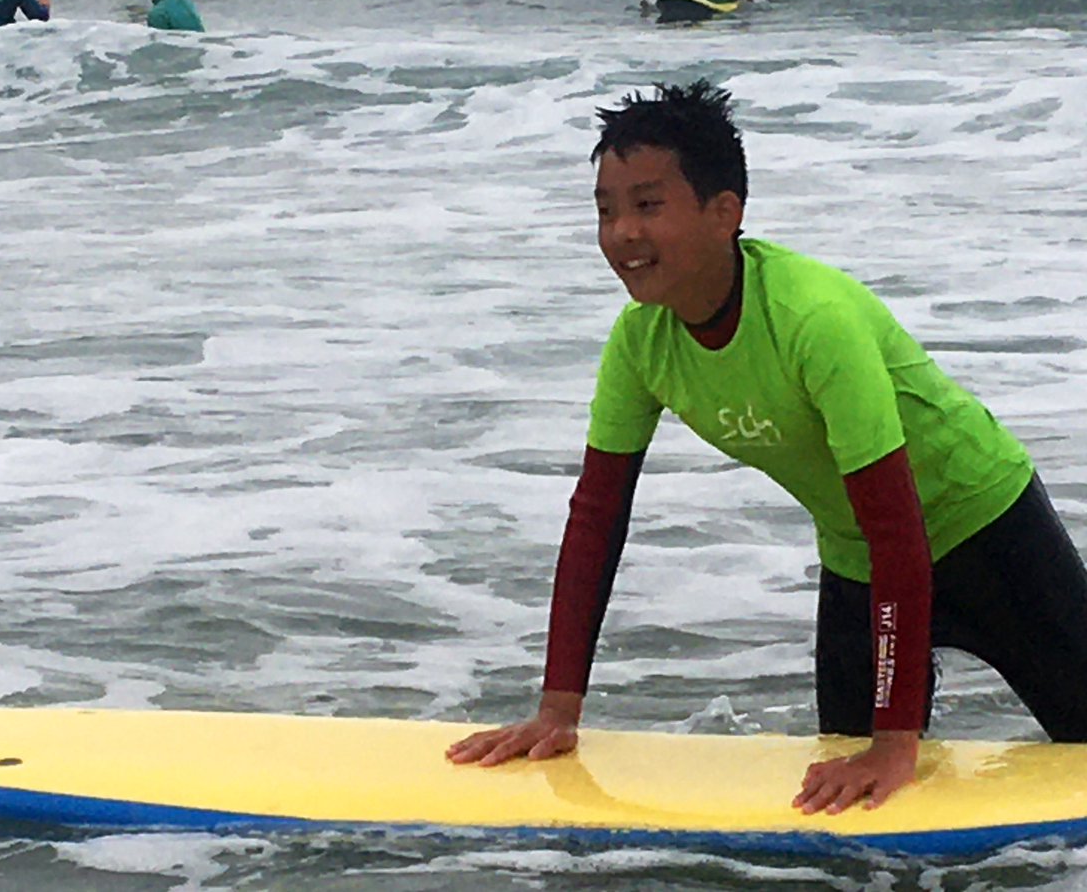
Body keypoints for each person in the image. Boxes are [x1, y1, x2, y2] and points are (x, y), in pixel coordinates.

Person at [446, 80, 1087, 816]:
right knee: (853, 819)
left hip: (988, 526)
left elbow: (896, 521)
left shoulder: (813, 318)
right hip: (859, 559)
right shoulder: (641, 343)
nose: (622, 232)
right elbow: (596, 518)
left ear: (726, 213)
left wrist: (896, 740)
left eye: (648, 205)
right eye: (606, 210)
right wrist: (558, 710)